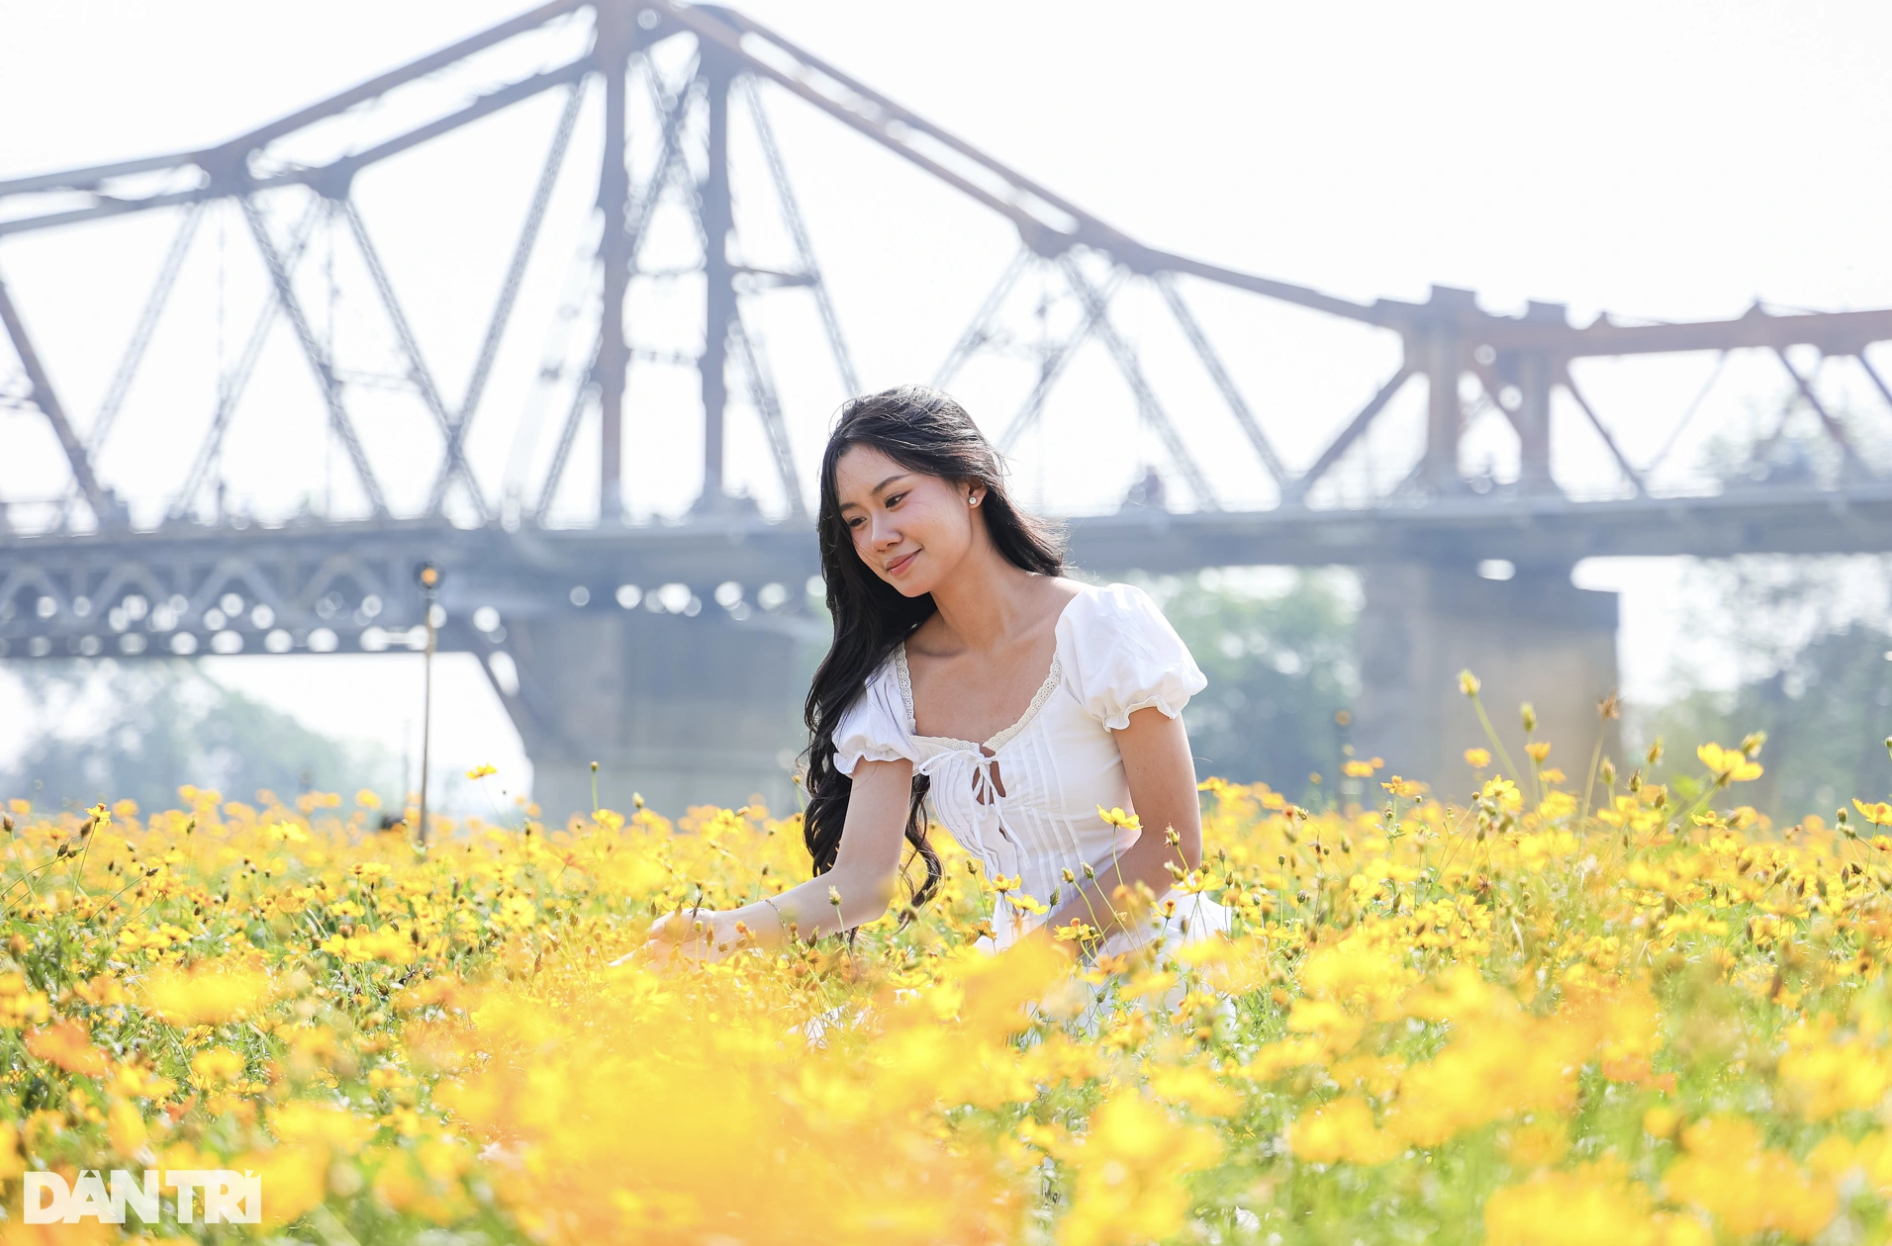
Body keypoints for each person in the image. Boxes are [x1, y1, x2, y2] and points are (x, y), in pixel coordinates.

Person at [645, 385, 1227, 961]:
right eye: (855, 520)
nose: (878, 537)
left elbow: (1169, 848)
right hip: (1005, 978)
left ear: (971, 483)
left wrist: (1017, 981)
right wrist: (725, 930)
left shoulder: (1101, 628)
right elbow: (863, 883)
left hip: (1146, 962)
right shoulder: (890, 687)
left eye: (894, 500)